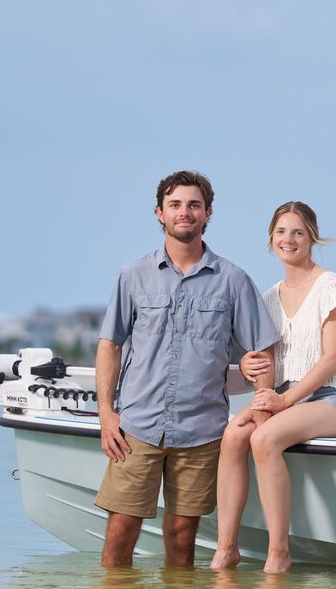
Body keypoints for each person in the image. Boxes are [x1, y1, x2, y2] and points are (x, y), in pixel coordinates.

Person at [95, 171, 280, 568]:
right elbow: (110, 345)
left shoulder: (233, 280)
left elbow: (263, 351)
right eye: (175, 205)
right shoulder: (132, 275)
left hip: (201, 431)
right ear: (159, 213)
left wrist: (262, 417)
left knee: (182, 539)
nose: (185, 212)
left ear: (207, 213)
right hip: (137, 427)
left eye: (194, 205)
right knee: (120, 534)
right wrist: (106, 414)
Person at [211, 201, 336, 573]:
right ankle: (226, 549)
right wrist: (253, 378)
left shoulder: (330, 285)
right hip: (284, 399)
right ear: (270, 239)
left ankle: (278, 553)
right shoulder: (268, 298)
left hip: (332, 398)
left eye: (297, 232)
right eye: (281, 232)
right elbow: (265, 362)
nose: (288, 240)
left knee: (263, 439)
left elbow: (333, 359)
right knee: (233, 435)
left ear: (312, 238)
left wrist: (284, 401)